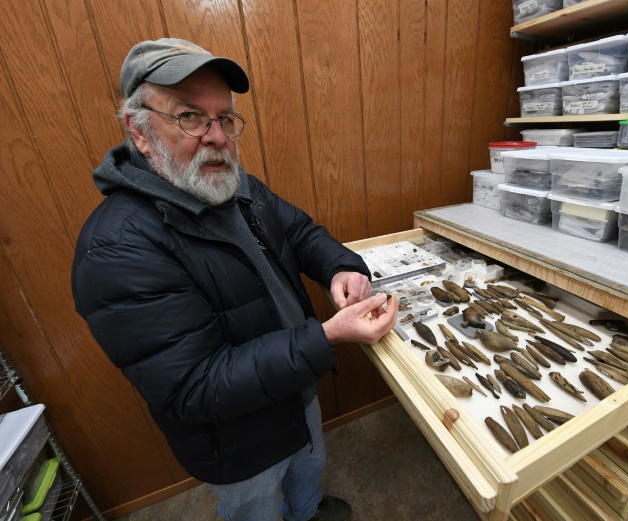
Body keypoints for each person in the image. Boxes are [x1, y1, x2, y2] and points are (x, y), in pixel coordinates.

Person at [71, 38, 398, 521]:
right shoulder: (116, 246)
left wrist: (339, 267)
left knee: (308, 465)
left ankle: (307, 511)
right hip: (237, 438)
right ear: (138, 131)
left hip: (296, 384)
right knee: (256, 505)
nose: (217, 136)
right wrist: (326, 337)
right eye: (189, 116)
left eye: (224, 117)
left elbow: (299, 231)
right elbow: (193, 385)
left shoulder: (233, 182)